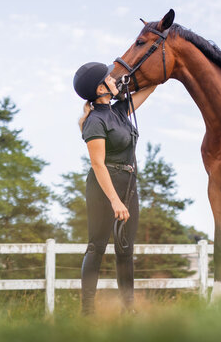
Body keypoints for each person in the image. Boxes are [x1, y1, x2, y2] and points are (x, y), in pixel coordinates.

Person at [73, 62, 156, 315]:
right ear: (100, 88)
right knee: (97, 247)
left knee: (125, 249)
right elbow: (98, 165)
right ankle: (87, 312)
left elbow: (151, 88)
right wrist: (114, 201)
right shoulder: (94, 121)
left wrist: (154, 67)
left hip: (129, 186)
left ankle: (127, 310)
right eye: (109, 78)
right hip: (103, 189)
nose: (114, 78)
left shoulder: (119, 111)